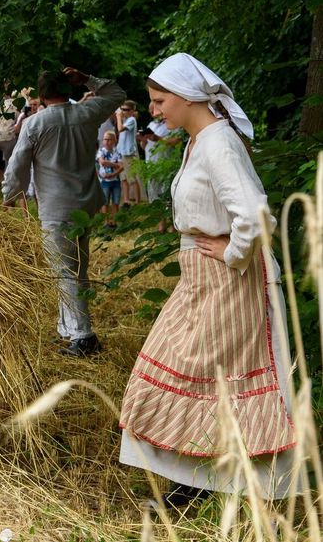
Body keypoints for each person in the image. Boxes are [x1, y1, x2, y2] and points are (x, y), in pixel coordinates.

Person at [119, 52, 296, 504]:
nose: (154, 110)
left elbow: (255, 216)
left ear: (187, 97)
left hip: (231, 281)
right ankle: (192, 484)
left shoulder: (218, 143)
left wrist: (232, 251)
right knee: (184, 371)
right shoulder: (199, 139)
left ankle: (237, 491)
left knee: (222, 378)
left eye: (160, 101)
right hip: (203, 278)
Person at [2, 66, 125, 357]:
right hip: (86, 202)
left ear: (41, 94)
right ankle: (68, 330)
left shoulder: (35, 124)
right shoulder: (85, 113)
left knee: (64, 271)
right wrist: (88, 78)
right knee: (77, 268)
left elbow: (17, 164)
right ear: (68, 88)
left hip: (56, 207)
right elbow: (117, 93)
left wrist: (10, 195)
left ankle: (83, 336)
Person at [115, 100, 143, 206]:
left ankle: (137, 202)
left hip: (128, 153)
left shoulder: (131, 119)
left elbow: (120, 129)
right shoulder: (126, 119)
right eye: (122, 109)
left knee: (132, 178)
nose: (123, 111)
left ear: (132, 111)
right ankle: (126, 201)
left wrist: (118, 117)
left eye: (126, 110)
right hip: (122, 152)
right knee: (124, 179)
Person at [96, 130, 123, 228]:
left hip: (115, 180)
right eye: (105, 139)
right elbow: (102, 162)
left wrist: (113, 173)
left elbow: (122, 167)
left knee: (116, 202)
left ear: (114, 141)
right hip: (105, 181)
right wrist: (116, 165)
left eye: (109, 140)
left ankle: (114, 221)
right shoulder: (101, 151)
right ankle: (106, 222)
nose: (106, 142)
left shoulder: (117, 152)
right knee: (105, 202)